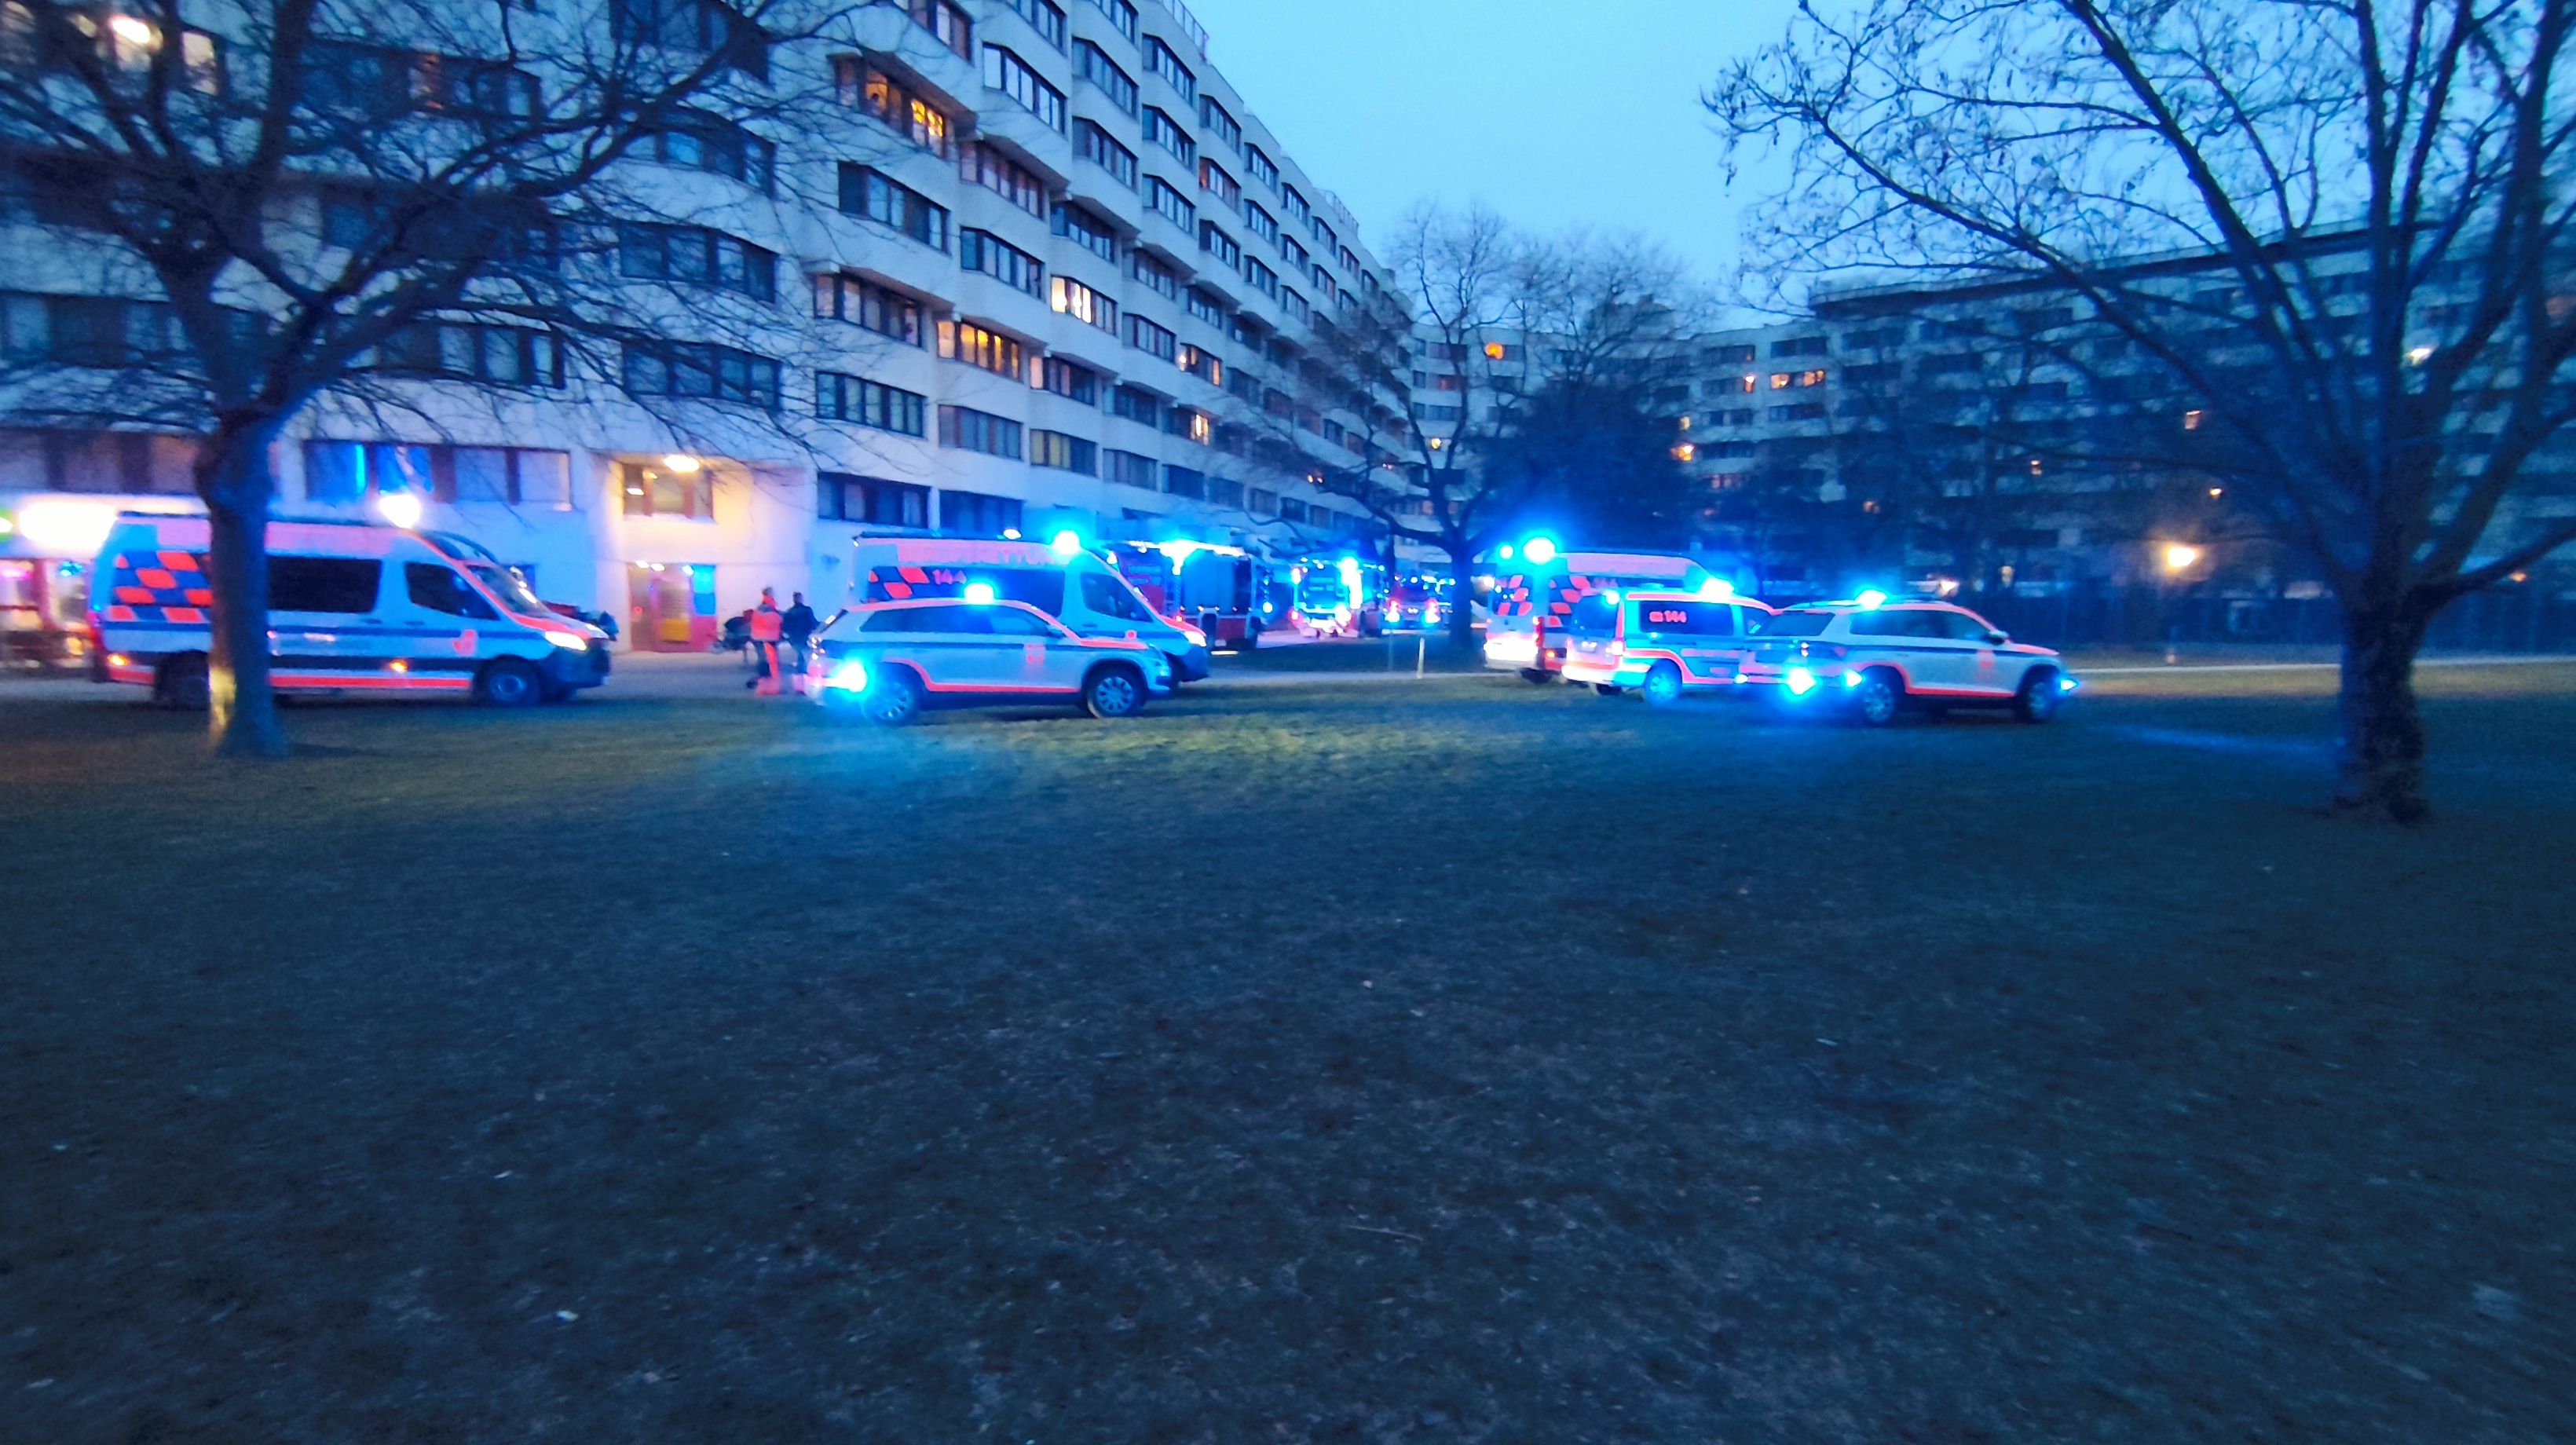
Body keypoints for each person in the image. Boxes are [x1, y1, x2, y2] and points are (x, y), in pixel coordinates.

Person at [745, 589, 784, 692]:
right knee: (772, 663)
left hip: (757, 638)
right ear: (770, 595)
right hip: (770, 638)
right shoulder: (771, 608)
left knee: (762, 660)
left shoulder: (759, 608)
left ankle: (761, 685)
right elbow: (779, 620)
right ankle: (773, 686)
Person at [781, 591, 818, 677]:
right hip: (804, 636)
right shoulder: (807, 611)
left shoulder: (789, 612)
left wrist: (788, 636)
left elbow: (785, 626)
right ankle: (803, 670)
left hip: (794, 638)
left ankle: (800, 669)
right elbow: (813, 623)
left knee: (800, 653)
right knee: (805, 654)